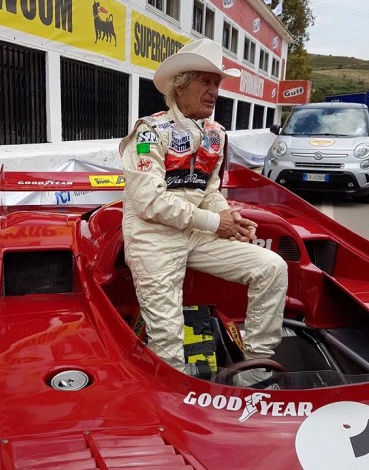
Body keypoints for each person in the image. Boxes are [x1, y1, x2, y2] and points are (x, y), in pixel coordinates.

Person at [119, 39, 288, 387]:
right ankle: (177, 404)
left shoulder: (216, 134)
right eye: (205, 82)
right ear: (180, 86)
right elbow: (148, 201)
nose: (213, 91)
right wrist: (216, 222)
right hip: (152, 238)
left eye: (217, 83)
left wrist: (230, 219)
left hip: (195, 232)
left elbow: (208, 191)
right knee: (168, 341)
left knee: (271, 267)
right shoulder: (149, 131)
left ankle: (254, 376)